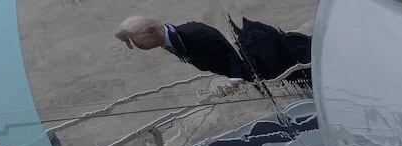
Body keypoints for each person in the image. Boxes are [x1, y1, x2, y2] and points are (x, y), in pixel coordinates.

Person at [116, 15, 311, 86]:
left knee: (305, 79)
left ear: (151, 31)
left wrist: (235, 79)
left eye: (134, 40)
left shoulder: (193, 34)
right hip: (256, 70)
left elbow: (230, 51)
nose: (135, 46)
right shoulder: (169, 41)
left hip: (273, 62)